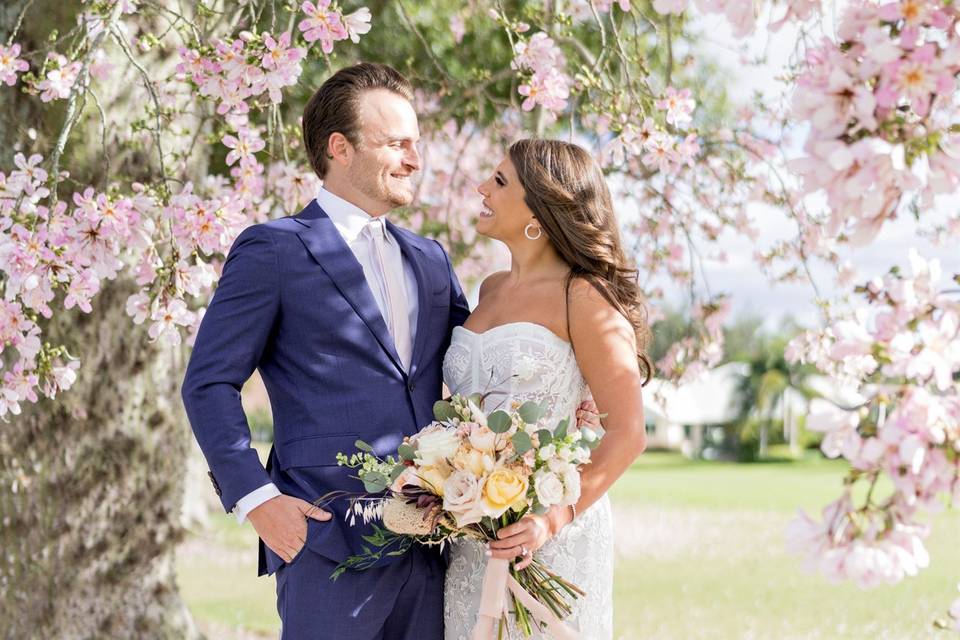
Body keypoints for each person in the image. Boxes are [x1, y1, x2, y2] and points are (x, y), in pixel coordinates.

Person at [181, 62, 470, 639]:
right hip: (325, 539)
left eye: (417, 142)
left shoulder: (432, 259)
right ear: (340, 147)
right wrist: (257, 499)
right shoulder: (275, 250)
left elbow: (475, 364)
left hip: (436, 546)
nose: (415, 158)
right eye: (396, 144)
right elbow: (208, 383)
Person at [441, 138, 650, 639]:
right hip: (474, 533)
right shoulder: (489, 288)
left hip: (550, 535)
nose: (480, 189)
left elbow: (627, 432)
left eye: (498, 182)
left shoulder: (585, 296)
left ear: (540, 206)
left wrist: (551, 520)